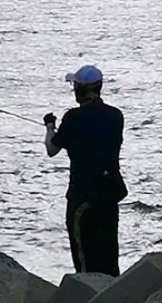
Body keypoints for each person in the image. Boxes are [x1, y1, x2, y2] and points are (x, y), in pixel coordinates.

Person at [44, 65, 128, 276]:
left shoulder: (73, 118)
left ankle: (88, 302)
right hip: (109, 194)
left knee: (84, 260)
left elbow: (52, 149)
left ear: (79, 89)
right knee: (109, 255)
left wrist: (50, 127)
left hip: (83, 196)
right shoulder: (116, 116)